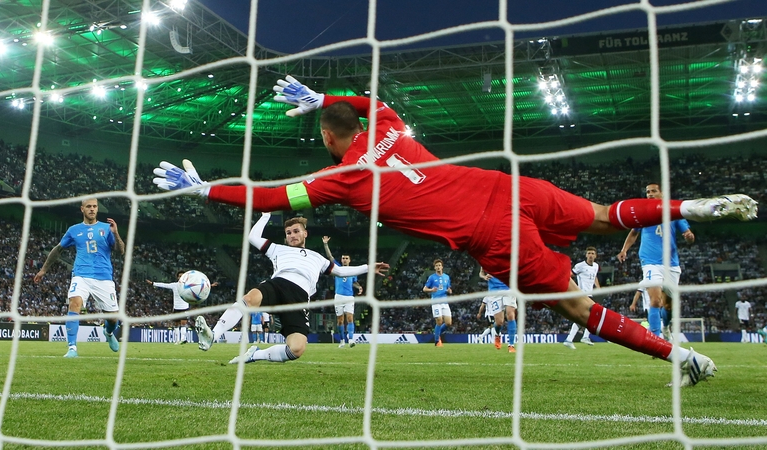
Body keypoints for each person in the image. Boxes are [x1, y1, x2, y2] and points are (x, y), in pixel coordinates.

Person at [153, 74, 759, 386]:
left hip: (491, 233)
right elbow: (368, 101)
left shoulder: (340, 178)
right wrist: (324, 98)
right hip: (509, 187)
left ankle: (683, 355)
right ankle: (692, 206)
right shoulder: (387, 124)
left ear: (328, 138)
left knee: (576, 307)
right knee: (603, 215)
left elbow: (267, 195)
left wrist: (203, 188)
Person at [193, 212, 389, 364]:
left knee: (296, 349)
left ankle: (255, 355)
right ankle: (213, 335)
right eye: (288, 233)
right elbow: (253, 237)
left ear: (305, 233)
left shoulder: (318, 258)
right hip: (278, 284)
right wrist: (266, 215)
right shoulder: (278, 249)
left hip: (300, 299)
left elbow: (341, 271)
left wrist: (368, 267)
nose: (292, 235)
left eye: (296, 231)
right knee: (251, 298)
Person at [34, 198, 125, 358]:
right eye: (88, 206)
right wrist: (43, 270)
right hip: (81, 275)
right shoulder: (74, 230)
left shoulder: (106, 228)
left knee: (113, 319)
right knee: (74, 304)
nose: (92, 209)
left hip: (103, 277)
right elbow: (58, 249)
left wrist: (116, 233)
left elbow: (120, 250)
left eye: (94, 206)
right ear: (82, 209)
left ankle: (108, 333)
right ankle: (72, 348)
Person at [617, 182, 695, 342]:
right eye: (648, 192)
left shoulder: (673, 212)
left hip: (671, 265)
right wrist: (624, 250)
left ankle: (665, 326)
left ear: (662, 193)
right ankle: (655, 339)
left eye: (653, 191)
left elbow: (689, 236)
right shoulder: (643, 213)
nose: (650, 194)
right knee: (655, 300)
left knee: (669, 306)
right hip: (650, 262)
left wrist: (689, 237)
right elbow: (633, 233)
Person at [146, 272, 219, 345]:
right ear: (177, 277)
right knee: (176, 324)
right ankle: (177, 340)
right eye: (180, 276)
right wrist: (153, 283)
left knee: (183, 323)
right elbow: (164, 285)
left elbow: (199, 287)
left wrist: (210, 285)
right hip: (176, 307)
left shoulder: (189, 286)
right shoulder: (174, 285)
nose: (181, 277)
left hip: (184, 308)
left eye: (182, 276)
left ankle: (183, 339)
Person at [321, 236, 363, 348]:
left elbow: (353, 282)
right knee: (340, 321)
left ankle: (351, 340)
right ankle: (342, 341)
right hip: (338, 297)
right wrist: (325, 244)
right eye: (343, 258)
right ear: (341, 260)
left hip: (349, 297)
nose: (344, 260)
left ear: (349, 260)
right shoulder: (337, 268)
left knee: (350, 318)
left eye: (346, 258)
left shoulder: (353, 271)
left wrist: (359, 287)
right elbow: (330, 257)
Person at [564, 247, 600, 349]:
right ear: (586, 255)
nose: (590, 255)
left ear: (595, 256)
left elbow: (594, 277)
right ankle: (582, 337)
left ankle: (571, 339)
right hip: (582, 294)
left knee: (586, 317)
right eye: (589, 253)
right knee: (590, 315)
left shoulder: (596, 266)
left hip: (590, 295)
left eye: (592, 253)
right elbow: (569, 275)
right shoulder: (580, 266)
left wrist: (598, 287)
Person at [479, 267, 517, 352]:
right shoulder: (487, 260)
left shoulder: (509, 259)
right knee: (499, 322)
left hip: (509, 289)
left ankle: (511, 345)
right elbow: (481, 273)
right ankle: (497, 335)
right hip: (494, 291)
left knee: (511, 315)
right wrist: (484, 277)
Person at [423, 259, 452, 347]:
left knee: (448, 323)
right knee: (439, 321)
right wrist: (431, 290)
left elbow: (448, 288)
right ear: (434, 268)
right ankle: (437, 341)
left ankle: (437, 333)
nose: (438, 267)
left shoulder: (447, 277)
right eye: (436, 266)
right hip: (436, 302)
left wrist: (449, 291)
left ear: (442, 267)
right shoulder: (432, 277)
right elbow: (424, 289)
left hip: (444, 302)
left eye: (439, 265)